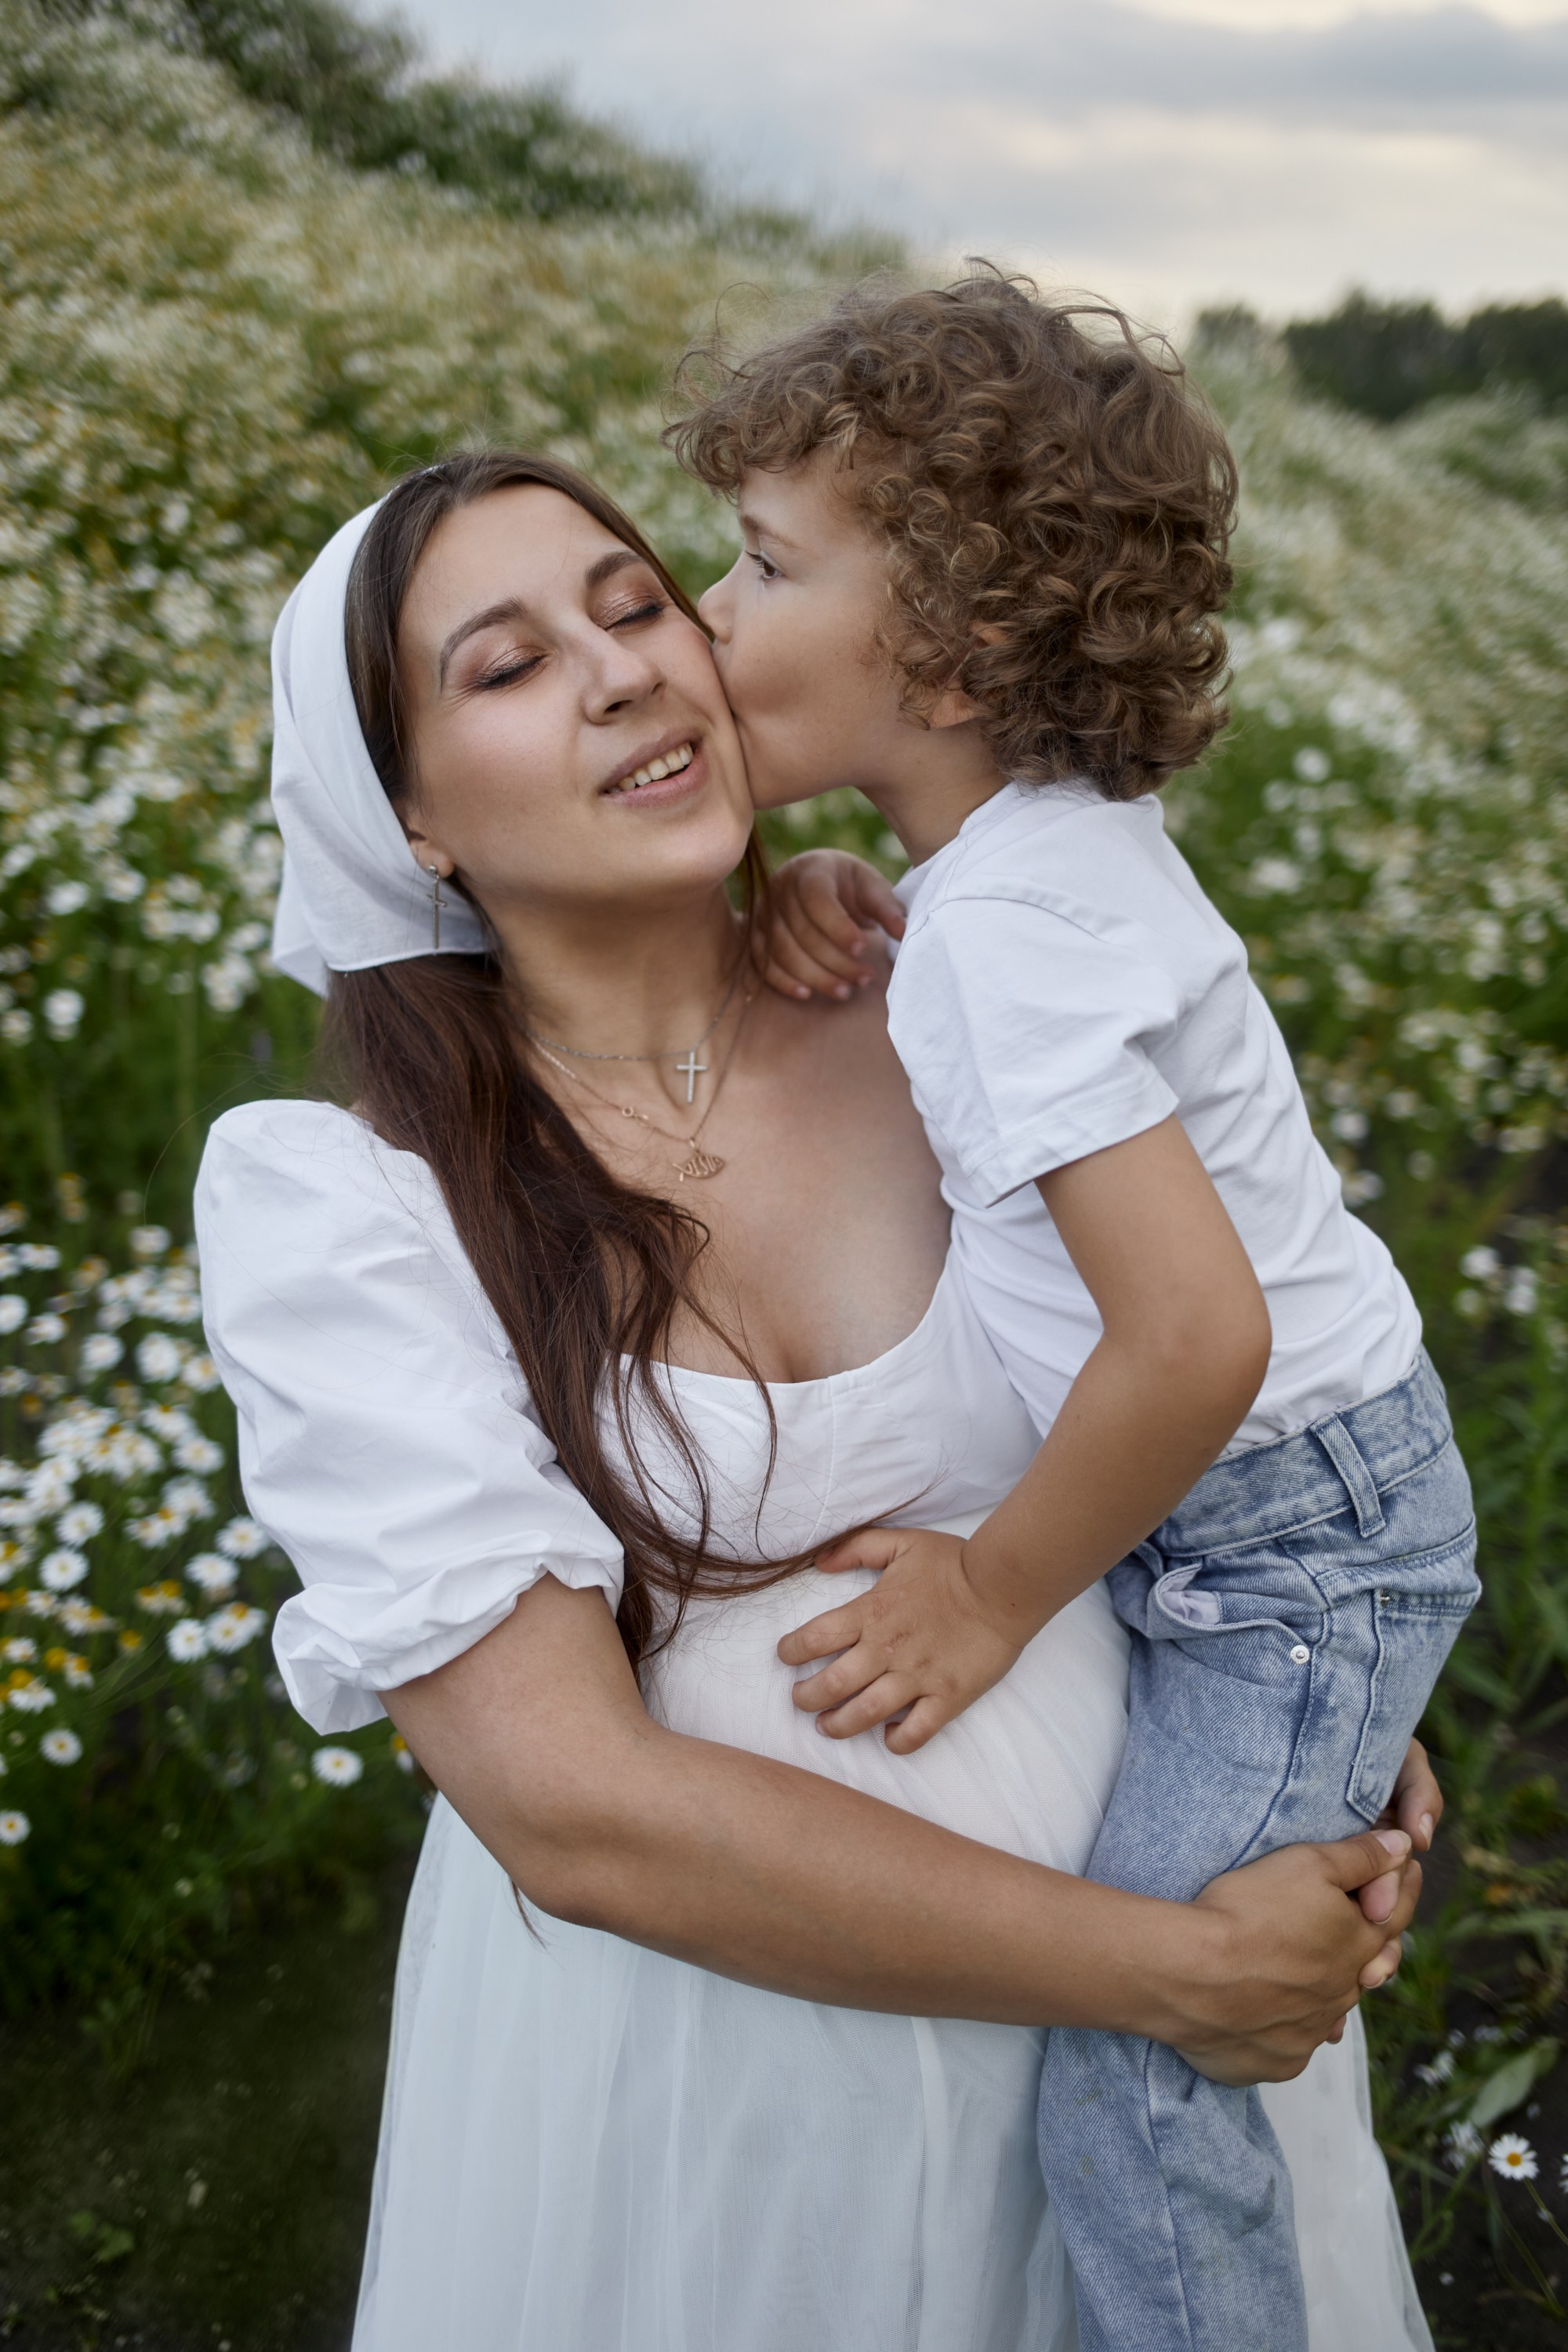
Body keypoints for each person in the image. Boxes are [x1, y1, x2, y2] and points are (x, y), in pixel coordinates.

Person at [195, 450, 1435, 2352]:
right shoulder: (349, 1203)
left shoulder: (961, 994)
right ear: (411, 818)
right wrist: (1166, 1971)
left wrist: (1313, 1704)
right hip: (726, 2056)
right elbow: (569, 1807)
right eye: (504, 667)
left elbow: (1224, 1384)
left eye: (634, 605)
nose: (619, 671)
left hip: (1165, 1890)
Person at [674, 270, 1476, 2352]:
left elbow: (1193, 1342)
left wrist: (993, 1597)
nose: (710, 606)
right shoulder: (1017, 878)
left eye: (762, 563)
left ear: (964, 645)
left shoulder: (1009, 934)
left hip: (1277, 1534)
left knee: (1147, 2074)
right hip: (1299, 1520)